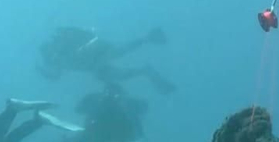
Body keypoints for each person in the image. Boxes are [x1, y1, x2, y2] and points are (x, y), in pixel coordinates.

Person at [27, 83, 151, 142]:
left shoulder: (120, 106)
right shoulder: (109, 104)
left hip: (112, 141)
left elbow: (82, 113)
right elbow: (81, 112)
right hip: (105, 140)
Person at [37, 25, 175, 94]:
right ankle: (145, 69)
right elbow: (56, 75)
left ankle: (148, 38)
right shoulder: (57, 59)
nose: (49, 58)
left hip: (97, 53)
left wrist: (45, 71)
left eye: (48, 54)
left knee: (120, 52)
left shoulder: (61, 47)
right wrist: (43, 72)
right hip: (94, 64)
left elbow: (56, 74)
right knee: (117, 72)